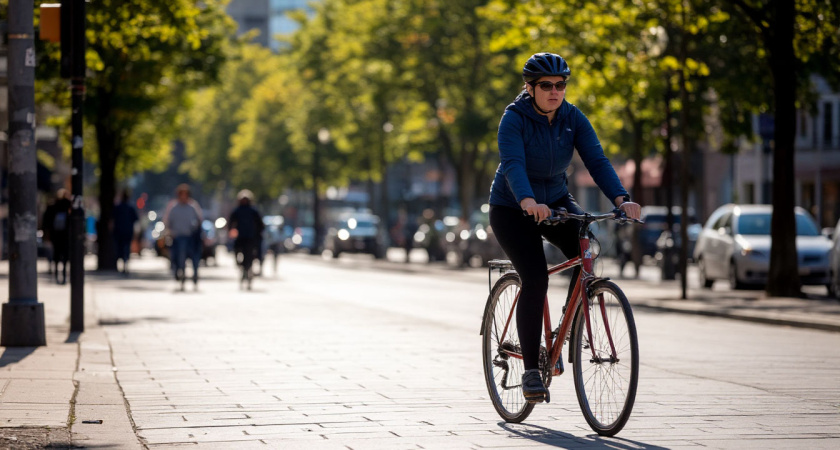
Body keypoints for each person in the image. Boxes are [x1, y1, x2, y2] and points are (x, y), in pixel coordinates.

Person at [488, 53, 641, 403]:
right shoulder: (514, 119)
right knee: (536, 277)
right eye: (546, 85)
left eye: (561, 85)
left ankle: (567, 326)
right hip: (512, 207)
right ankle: (529, 370)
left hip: (556, 201)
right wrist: (527, 200)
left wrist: (621, 198)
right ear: (530, 88)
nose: (555, 91)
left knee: (586, 249)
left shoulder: (572, 118)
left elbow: (597, 160)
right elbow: (512, 164)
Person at [163, 184, 203, 290]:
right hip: (178, 237)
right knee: (179, 257)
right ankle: (181, 274)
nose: (184, 197)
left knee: (195, 258)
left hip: (191, 237)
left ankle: (195, 275)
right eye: (182, 194)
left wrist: (195, 229)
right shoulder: (174, 207)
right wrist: (170, 232)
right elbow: (168, 222)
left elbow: (199, 220)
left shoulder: (193, 206)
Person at [227, 189, 264, 289]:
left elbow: (261, 225)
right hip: (240, 238)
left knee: (250, 257)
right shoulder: (237, 211)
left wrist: (257, 234)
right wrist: (231, 231)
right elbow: (231, 223)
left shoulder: (253, 211)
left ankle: (248, 271)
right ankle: (242, 268)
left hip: (250, 238)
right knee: (236, 253)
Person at [42, 189, 72, 284]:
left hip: (56, 234)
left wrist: (46, 234)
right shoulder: (68, 206)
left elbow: (46, 222)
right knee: (64, 255)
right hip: (64, 235)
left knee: (56, 254)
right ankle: (62, 274)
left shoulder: (53, 206)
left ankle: (56, 274)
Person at [113, 190, 139, 275]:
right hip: (127, 231)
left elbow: (112, 220)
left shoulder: (117, 207)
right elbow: (136, 220)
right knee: (126, 248)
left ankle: (119, 264)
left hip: (119, 231)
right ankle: (125, 264)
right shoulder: (130, 208)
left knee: (119, 248)